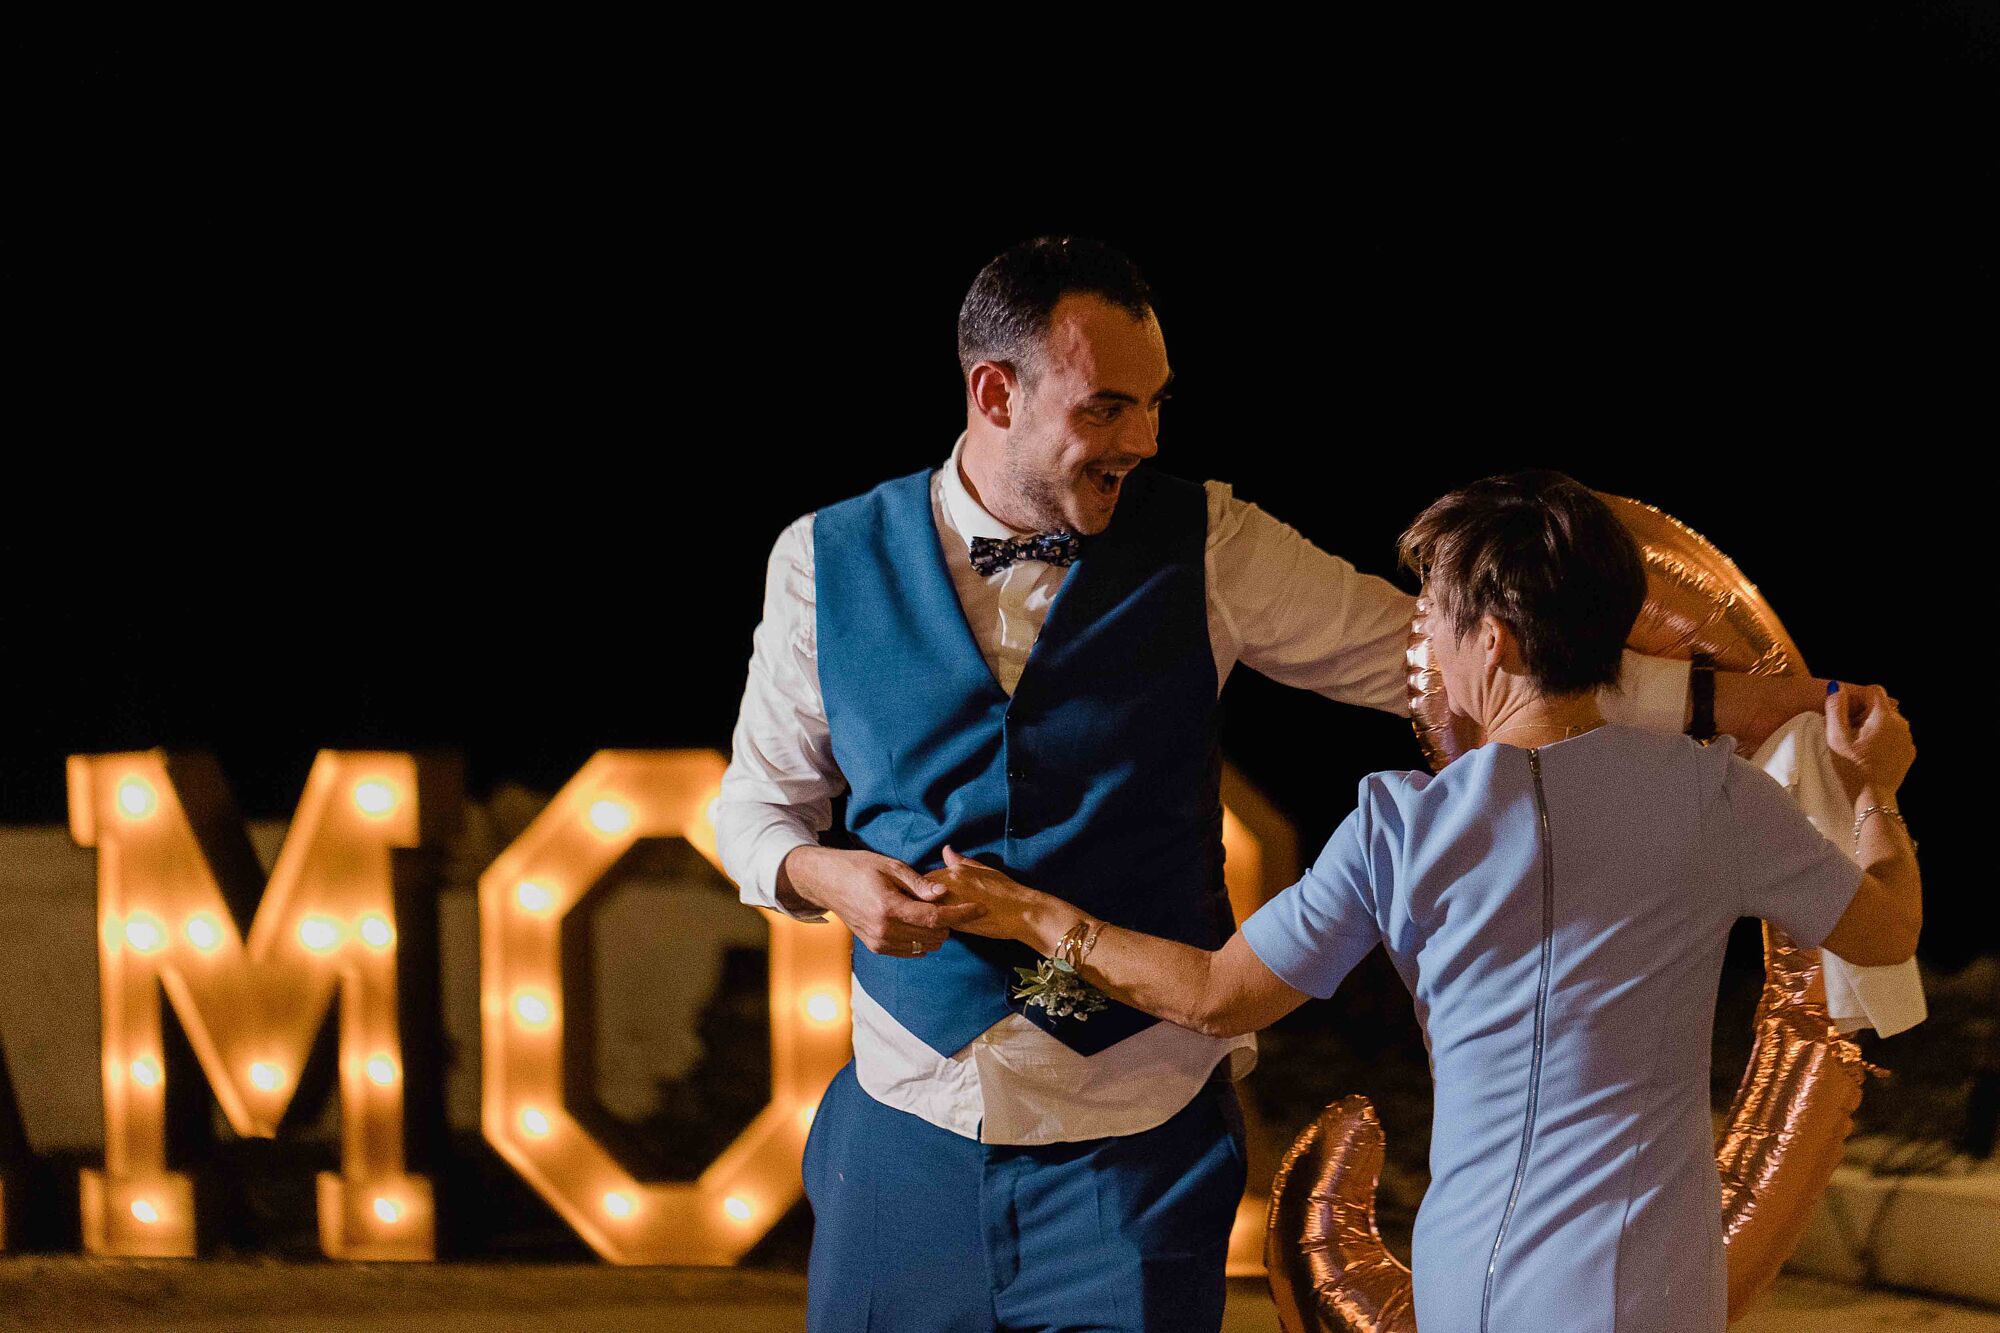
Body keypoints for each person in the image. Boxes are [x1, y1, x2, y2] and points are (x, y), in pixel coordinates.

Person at [712, 237, 1844, 1332]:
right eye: (1107, 406)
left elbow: (1442, 657)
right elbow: (754, 811)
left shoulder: (1212, 541)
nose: (1143, 439)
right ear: (994, 395)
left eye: (1158, 404)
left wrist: (1735, 704)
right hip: (903, 1128)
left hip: (1134, 1140)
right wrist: (822, 875)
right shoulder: (820, 559)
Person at [928, 470, 1921, 1333]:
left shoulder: (1397, 826)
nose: (1427, 642)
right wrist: (1874, 790)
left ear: (1490, 640)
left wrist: (1026, 916)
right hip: (1638, 1278)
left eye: (1434, 615)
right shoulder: (1712, 800)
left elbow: (1210, 995)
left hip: (1464, 1278)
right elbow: (1885, 930)